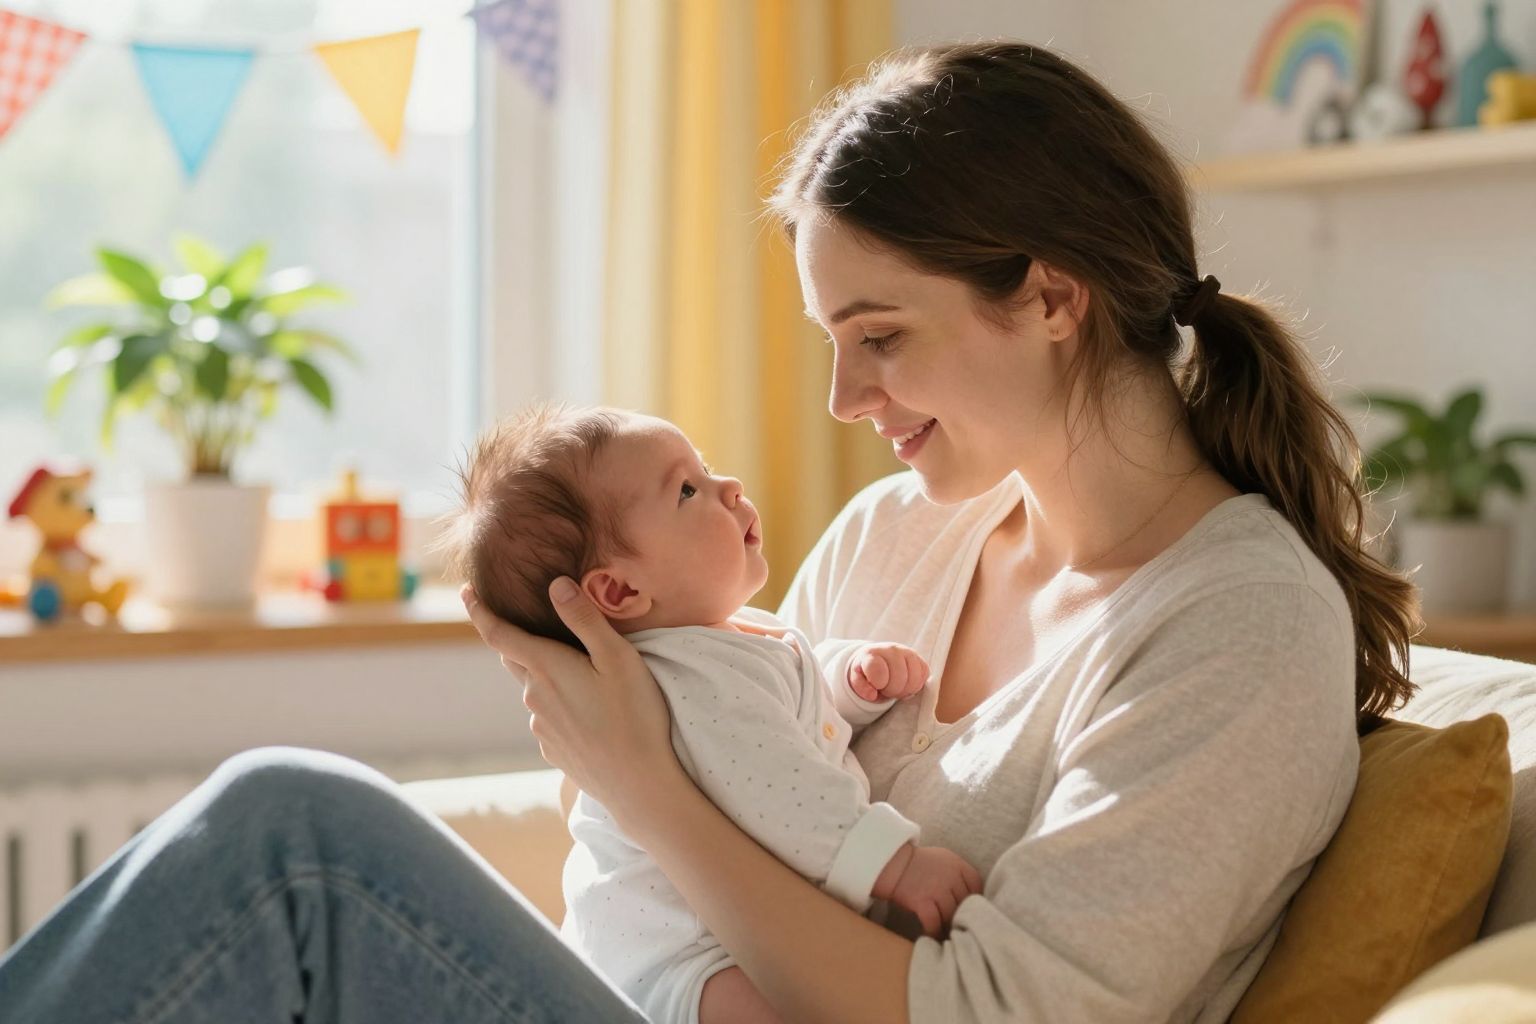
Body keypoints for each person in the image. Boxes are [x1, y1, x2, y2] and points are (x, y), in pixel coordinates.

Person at [0, 41, 1419, 1024]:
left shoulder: (1237, 627)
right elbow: (722, 784)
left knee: (293, 841)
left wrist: (648, 788)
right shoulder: (895, 541)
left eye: (878, 337)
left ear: (1052, 300)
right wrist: (627, 773)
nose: (845, 399)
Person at [436, 402, 984, 1023]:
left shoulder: (722, 642)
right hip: (680, 954)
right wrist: (896, 865)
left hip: (703, 935)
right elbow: (782, 789)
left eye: (707, 467)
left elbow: (784, 722)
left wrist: (848, 684)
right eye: (688, 490)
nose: (729, 486)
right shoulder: (693, 677)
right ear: (618, 592)